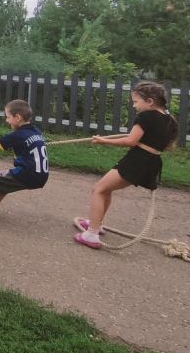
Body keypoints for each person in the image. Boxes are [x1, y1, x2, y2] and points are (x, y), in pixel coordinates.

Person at [75, 81, 179, 250]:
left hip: (137, 160)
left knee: (98, 190)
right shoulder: (168, 119)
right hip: (151, 162)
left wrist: (103, 141)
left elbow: (131, 141)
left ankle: (92, 234)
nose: (134, 105)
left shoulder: (146, 116)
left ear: (150, 101)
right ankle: (97, 224)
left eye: (136, 101)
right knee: (106, 189)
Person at [0, 99, 49, 226]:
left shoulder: (18, 135)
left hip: (28, 174)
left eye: (8, 117)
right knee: (4, 180)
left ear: (17, 117)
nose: (6, 120)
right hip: (41, 175)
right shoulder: (36, 131)